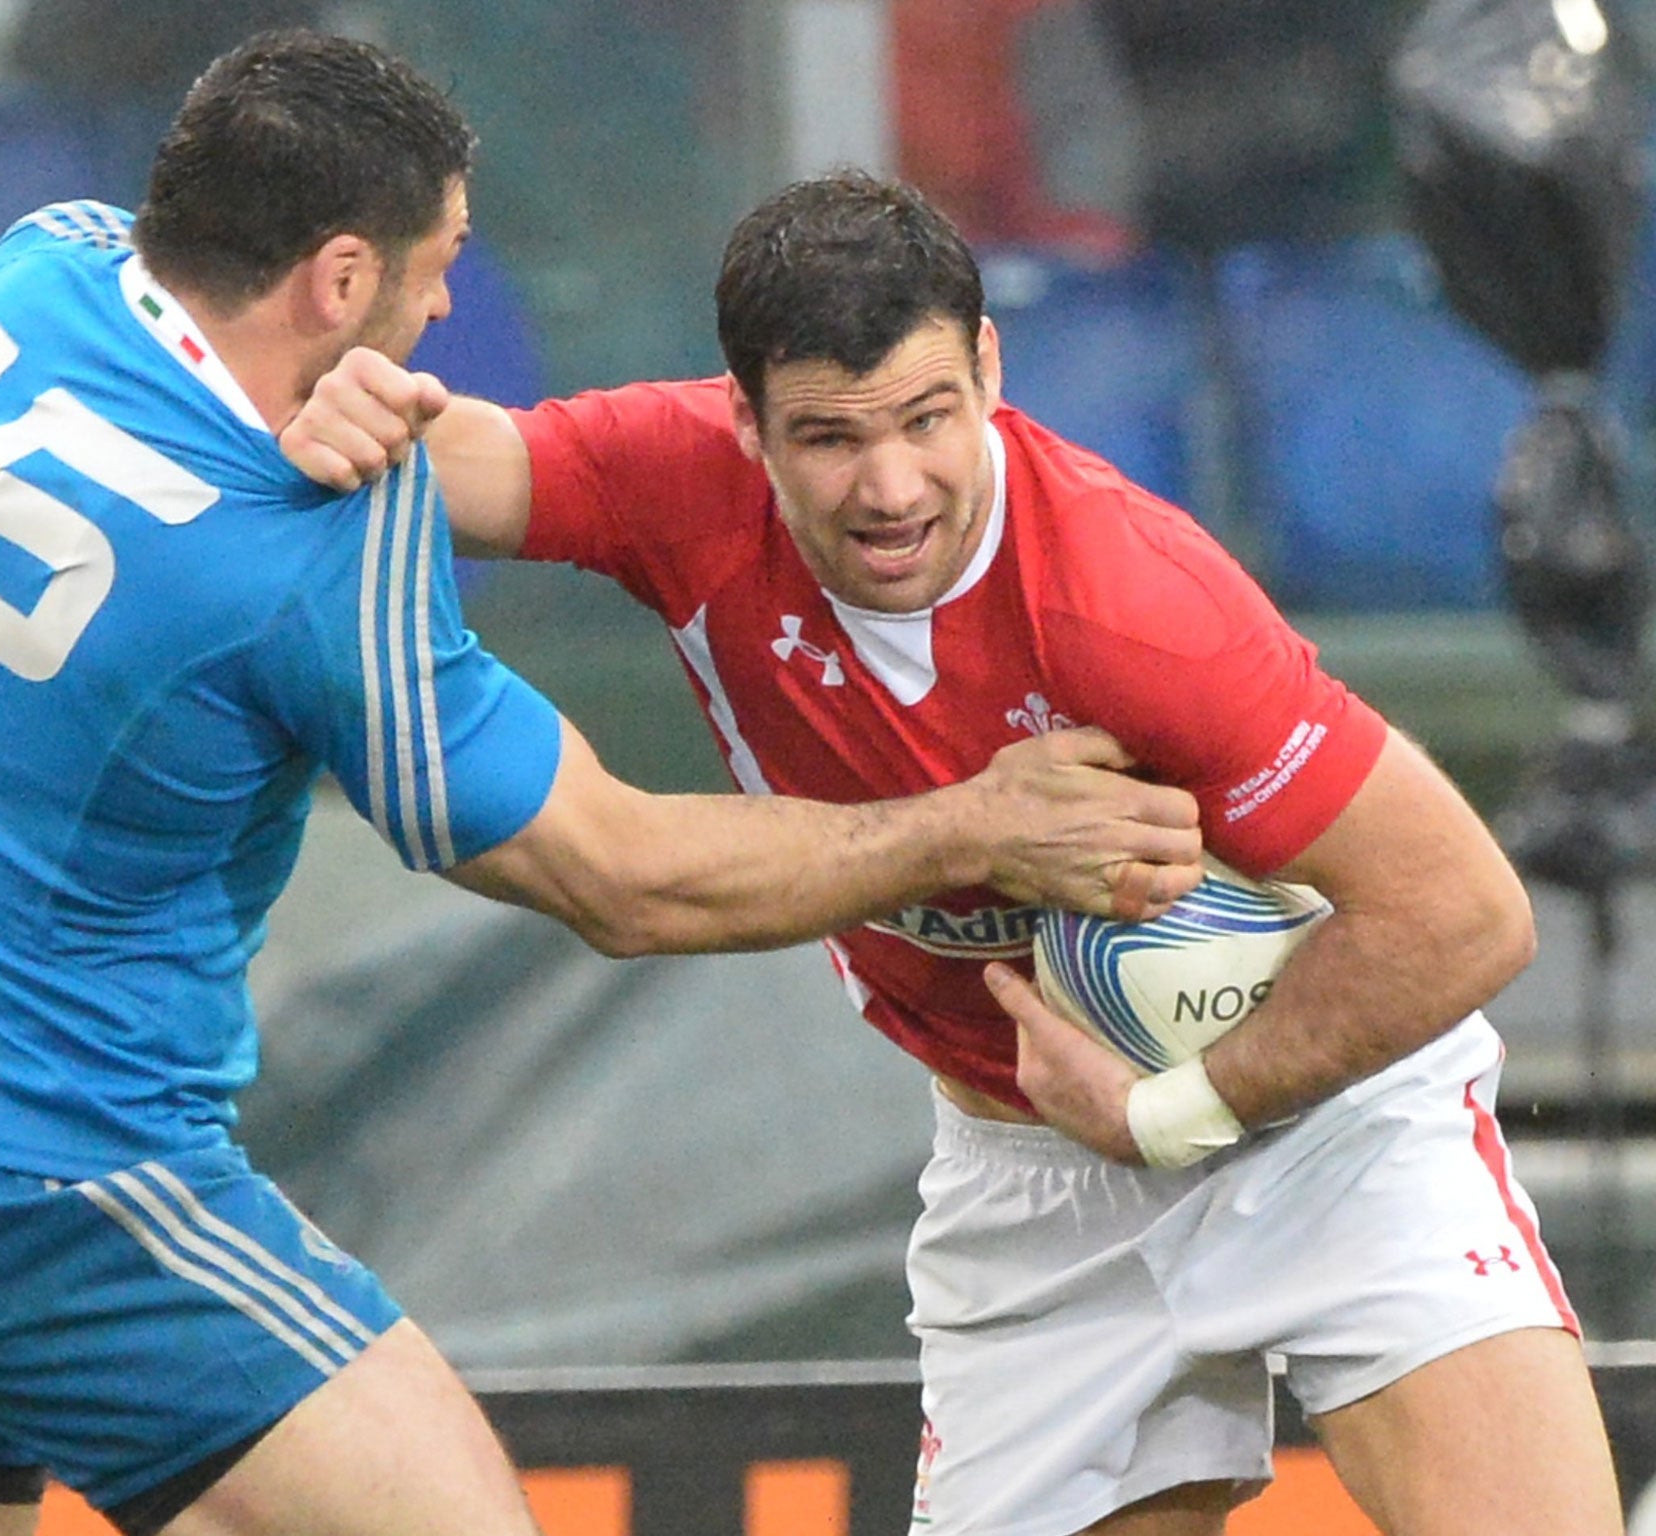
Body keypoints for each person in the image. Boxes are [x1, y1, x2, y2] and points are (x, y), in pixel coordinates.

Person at [0, 35, 1208, 1536]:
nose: (444, 311)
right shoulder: (310, 550)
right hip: (51, 1182)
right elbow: (625, 878)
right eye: (434, 269)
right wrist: (973, 824)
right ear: (340, 277)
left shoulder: (32, 274)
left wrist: (322, 401)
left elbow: (187, 348)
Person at [282, 170, 1625, 1536]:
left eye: (928, 418)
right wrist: (323, 413)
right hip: (1035, 1181)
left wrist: (1174, 1110)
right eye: (828, 437)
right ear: (743, 420)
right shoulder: (677, 484)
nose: (890, 488)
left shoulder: (1132, 605)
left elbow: (1466, 913)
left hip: (1324, 1131)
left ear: (988, 368)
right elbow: (430, 462)